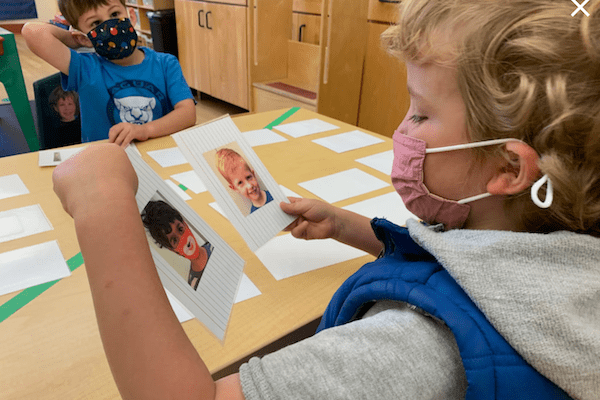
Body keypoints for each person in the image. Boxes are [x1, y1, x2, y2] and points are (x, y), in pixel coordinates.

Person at [51, 0, 599, 398]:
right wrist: (347, 227)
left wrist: (103, 206)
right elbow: (464, 256)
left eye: (421, 112)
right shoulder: (543, 232)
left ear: (507, 167)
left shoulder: (418, 348)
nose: (401, 126)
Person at [21, 0, 195, 147]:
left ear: (131, 17)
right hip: (106, 164)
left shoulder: (166, 64)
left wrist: (144, 130)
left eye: (114, 14)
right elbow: (31, 32)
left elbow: (187, 113)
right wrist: (76, 39)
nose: (111, 27)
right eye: (95, 24)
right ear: (83, 36)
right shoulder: (85, 68)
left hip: (159, 154)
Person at [141, 200, 213, 290]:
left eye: (180, 229)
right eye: (174, 240)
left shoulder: (216, 245)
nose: (183, 238)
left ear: (185, 224)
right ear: (172, 249)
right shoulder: (194, 286)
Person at [215, 148, 273, 214]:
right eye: (240, 183)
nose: (249, 186)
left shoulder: (274, 194)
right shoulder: (253, 215)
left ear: (253, 175)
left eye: (249, 177)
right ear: (235, 188)